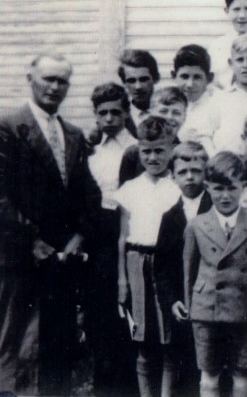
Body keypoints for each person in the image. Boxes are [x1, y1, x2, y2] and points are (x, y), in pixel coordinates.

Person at [0, 54, 101, 395]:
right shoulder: (8, 127)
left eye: (63, 81)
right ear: (31, 78)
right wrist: (30, 239)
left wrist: (79, 236)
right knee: (15, 352)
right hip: (19, 258)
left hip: (61, 261)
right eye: (49, 79)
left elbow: (89, 194)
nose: (56, 87)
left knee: (57, 353)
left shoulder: (72, 134)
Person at [183, 152, 247, 397]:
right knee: (209, 376)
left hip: (244, 310)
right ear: (208, 187)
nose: (225, 195)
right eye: (218, 188)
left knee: (241, 375)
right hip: (206, 310)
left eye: (232, 188)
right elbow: (188, 271)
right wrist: (192, 308)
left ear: (243, 187)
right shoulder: (197, 224)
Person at [115, 116, 182, 397]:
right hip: (135, 264)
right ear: (138, 151)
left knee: (168, 340)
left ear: (171, 150)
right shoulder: (130, 189)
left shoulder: (177, 187)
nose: (153, 157)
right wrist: (122, 280)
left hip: (166, 265)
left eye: (160, 150)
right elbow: (122, 238)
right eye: (147, 151)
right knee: (142, 339)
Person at [86, 82, 138, 396]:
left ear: (126, 112)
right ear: (95, 114)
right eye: (102, 113)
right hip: (97, 230)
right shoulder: (90, 147)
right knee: (100, 310)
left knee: (126, 305)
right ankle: (103, 383)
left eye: (115, 112)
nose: (108, 118)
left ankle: (129, 383)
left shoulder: (134, 146)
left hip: (128, 226)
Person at [154, 142, 212, 395]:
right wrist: (171, 301)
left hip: (213, 301)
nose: (190, 177)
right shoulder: (170, 216)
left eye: (196, 170)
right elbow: (161, 266)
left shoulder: (216, 207)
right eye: (183, 172)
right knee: (185, 365)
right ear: (173, 176)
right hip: (184, 303)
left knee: (214, 366)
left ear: (206, 173)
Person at [119, 86, 187, 185]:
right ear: (151, 113)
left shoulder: (186, 153)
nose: (169, 117)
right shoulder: (133, 154)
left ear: (184, 117)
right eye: (163, 111)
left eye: (176, 113)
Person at [172, 44, 216, 154]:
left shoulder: (216, 106)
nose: (190, 84)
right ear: (173, 76)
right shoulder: (168, 106)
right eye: (184, 76)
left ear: (209, 78)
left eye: (197, 77)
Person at [118, 49, 161, 135]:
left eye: (144, 79)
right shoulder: (118, 117)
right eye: (131, 80)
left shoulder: (168, 112)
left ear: (156, 78)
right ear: (124, 83)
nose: (138, 87)